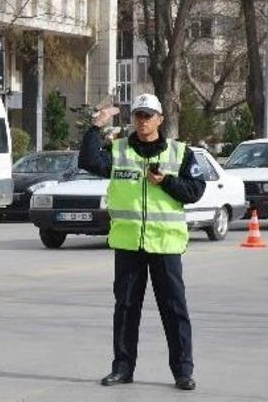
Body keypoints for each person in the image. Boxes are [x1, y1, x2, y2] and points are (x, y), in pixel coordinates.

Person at [78, 94, 205, 391]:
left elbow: (196, 190)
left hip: (165, 246)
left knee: (174, 310)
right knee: (125, 307)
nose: (143, 121)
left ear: (160, 119)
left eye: (148, 115)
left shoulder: (180, 153)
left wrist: (167, 183)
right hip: (129, 245)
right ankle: (122, 368)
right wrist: (96, 127)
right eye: (138, 115)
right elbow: (88, 160)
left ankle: (183, 372)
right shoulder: (118, 150)